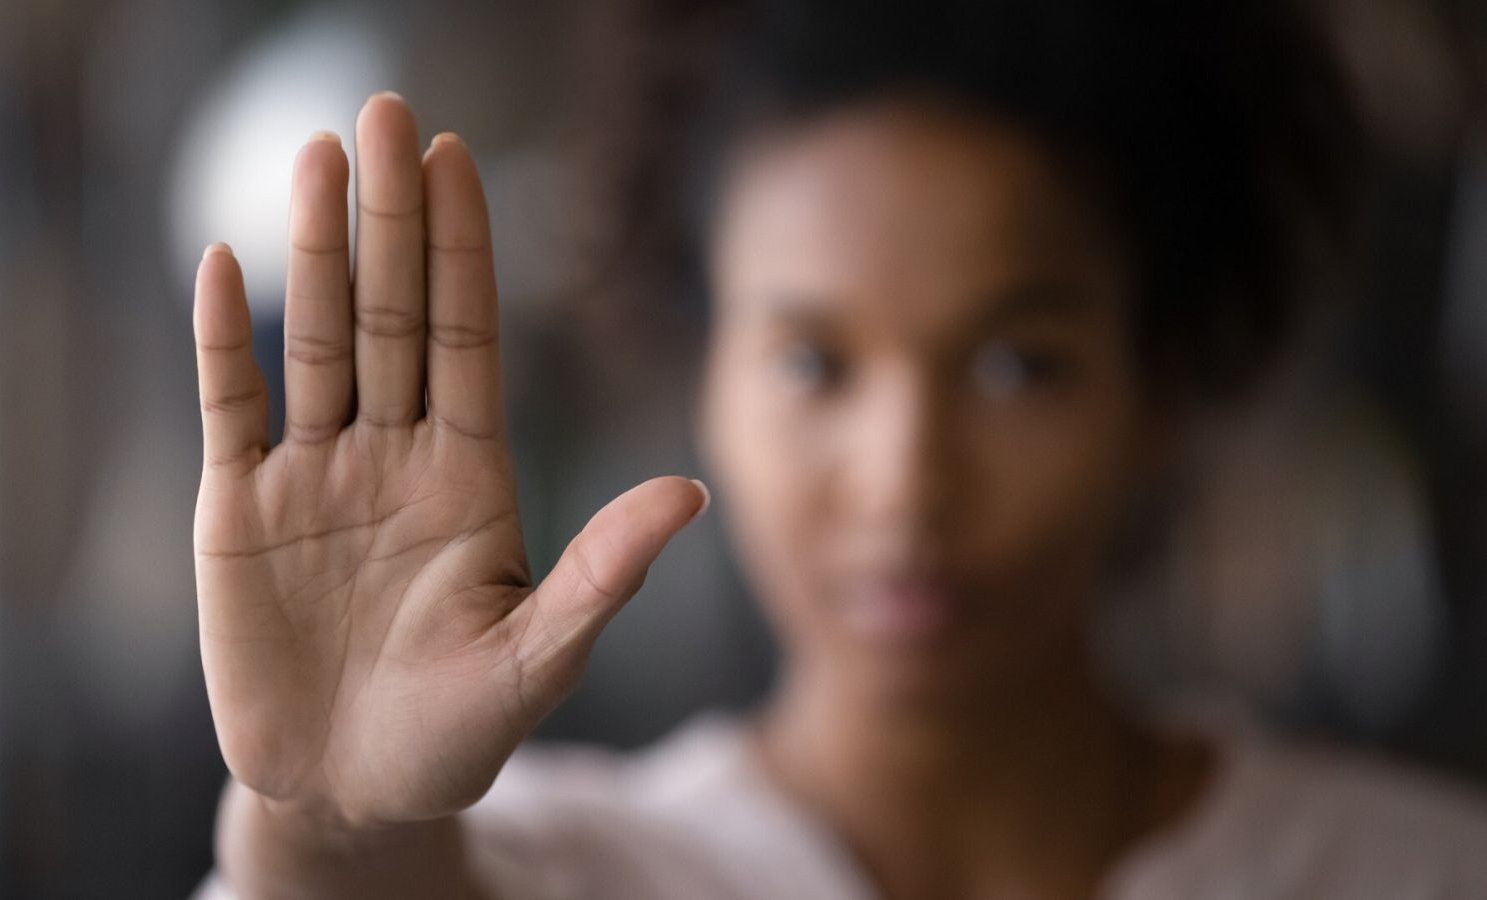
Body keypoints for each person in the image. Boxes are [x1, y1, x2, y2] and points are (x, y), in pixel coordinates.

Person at [189, 1, 1487, 897]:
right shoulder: (558, 872)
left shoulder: (1412, 874)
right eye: (813, 363)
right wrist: (327, 819)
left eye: (1014, 363)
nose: (905, 481)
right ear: (703, 378)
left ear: (1159, 383)